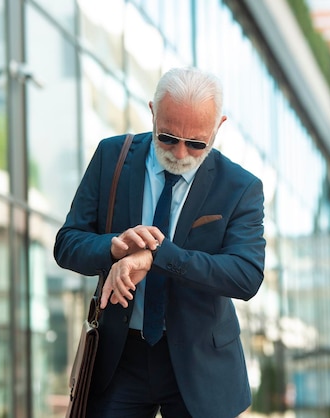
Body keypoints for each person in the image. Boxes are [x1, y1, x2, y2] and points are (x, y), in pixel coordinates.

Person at [54, 67, 266, 418]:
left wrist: (158, 257)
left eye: (196, 143)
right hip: (119, 360)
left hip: (201, 366)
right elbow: (67, 244)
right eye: (167, 137)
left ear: (219, 126)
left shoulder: (241, 187)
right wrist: (113, 247)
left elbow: (245, 276)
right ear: (152, 111)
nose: (180, 153)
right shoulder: (112, 157)